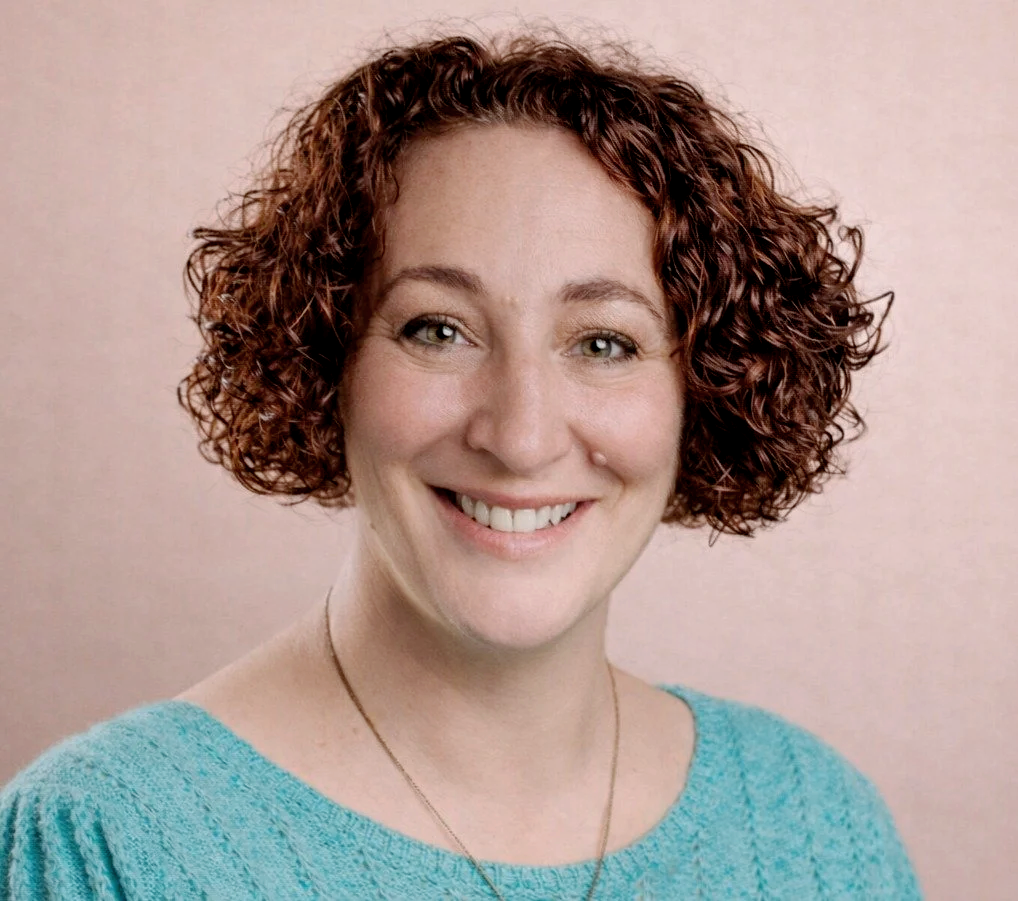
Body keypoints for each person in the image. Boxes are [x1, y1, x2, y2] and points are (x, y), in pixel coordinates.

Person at [0, 29, 922, 900]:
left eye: (603, 342)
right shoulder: (109, 841)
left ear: (702, 389)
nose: (520, 436)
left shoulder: (815, 829)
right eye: (437, 329)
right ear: (327, 359)